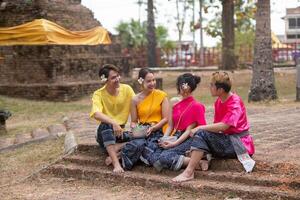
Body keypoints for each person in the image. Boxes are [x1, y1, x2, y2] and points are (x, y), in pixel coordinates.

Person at [173, 71, 255, 182]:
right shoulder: (218, 102)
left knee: (201, 132)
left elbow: (224, 126)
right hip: (226, 140)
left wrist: (200, 127)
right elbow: (216, 128)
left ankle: (188, 172)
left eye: (212, 85)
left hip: (239, 143)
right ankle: (194, 166)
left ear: (220, 90)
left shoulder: (235, 102)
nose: (209, 87)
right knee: (200, 135)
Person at [153, 73, 207, 172]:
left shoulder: (197, 106)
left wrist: (173, 144)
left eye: (185, 87)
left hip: (189, 138)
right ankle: (187, 158)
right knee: (155, 153)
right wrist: (164, 138)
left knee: (165, 157)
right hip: (176, 136)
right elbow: (170, 125)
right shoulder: (174, 103)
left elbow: (189, 131)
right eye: (182, 87)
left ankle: (197, 162)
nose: (184, 90)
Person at [90, 64, 135, 173]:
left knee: (141, 138)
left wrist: (135, 125)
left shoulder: (127, 89)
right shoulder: (98, 94)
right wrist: (113, 122)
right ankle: (116, 164)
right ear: (105, 80)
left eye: (118, 76)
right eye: (113, 78)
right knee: (107, 124)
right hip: (105, 132)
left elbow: (137, 105)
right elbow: (96, 113)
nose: (117, 79)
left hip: (121, 132)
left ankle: (117, 150)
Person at [121, 68, 169, 170]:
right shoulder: (135, 100)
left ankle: (138, 155)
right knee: (138, 144)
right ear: (141, 81)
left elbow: (166, 118)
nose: (152, 83)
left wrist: (154, 128)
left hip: (158, 130)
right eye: (149, 81)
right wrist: (135, 128)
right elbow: (133, 121)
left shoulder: (161, 96)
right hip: (142, 131)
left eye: (153, 80)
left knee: (148, 149)